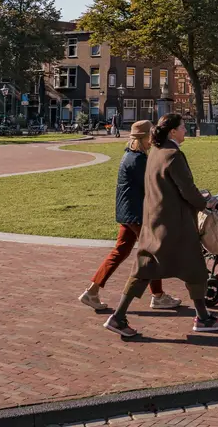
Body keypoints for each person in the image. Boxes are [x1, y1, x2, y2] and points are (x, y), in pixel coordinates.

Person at [103, 113, 218, 337]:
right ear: (172, 132)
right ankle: (203, 318)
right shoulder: (173, 155)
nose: (185, 131)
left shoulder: (155, 153)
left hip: (153, 221)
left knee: (143, 269)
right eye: (182, 127)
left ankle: (118, 316)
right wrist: (205, 203)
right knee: (196, 268)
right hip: (175, 224)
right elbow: (187, 190)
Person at [79, 120, 181, 312]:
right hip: (136, 214)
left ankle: (91, 291)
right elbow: (153, 186)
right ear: (142, 138)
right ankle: (158, 297)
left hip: (127, 212)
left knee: (121, 252)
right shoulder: (138, 160)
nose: (152, 140)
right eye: (150, 137)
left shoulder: (129, 156)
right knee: (152, 253)